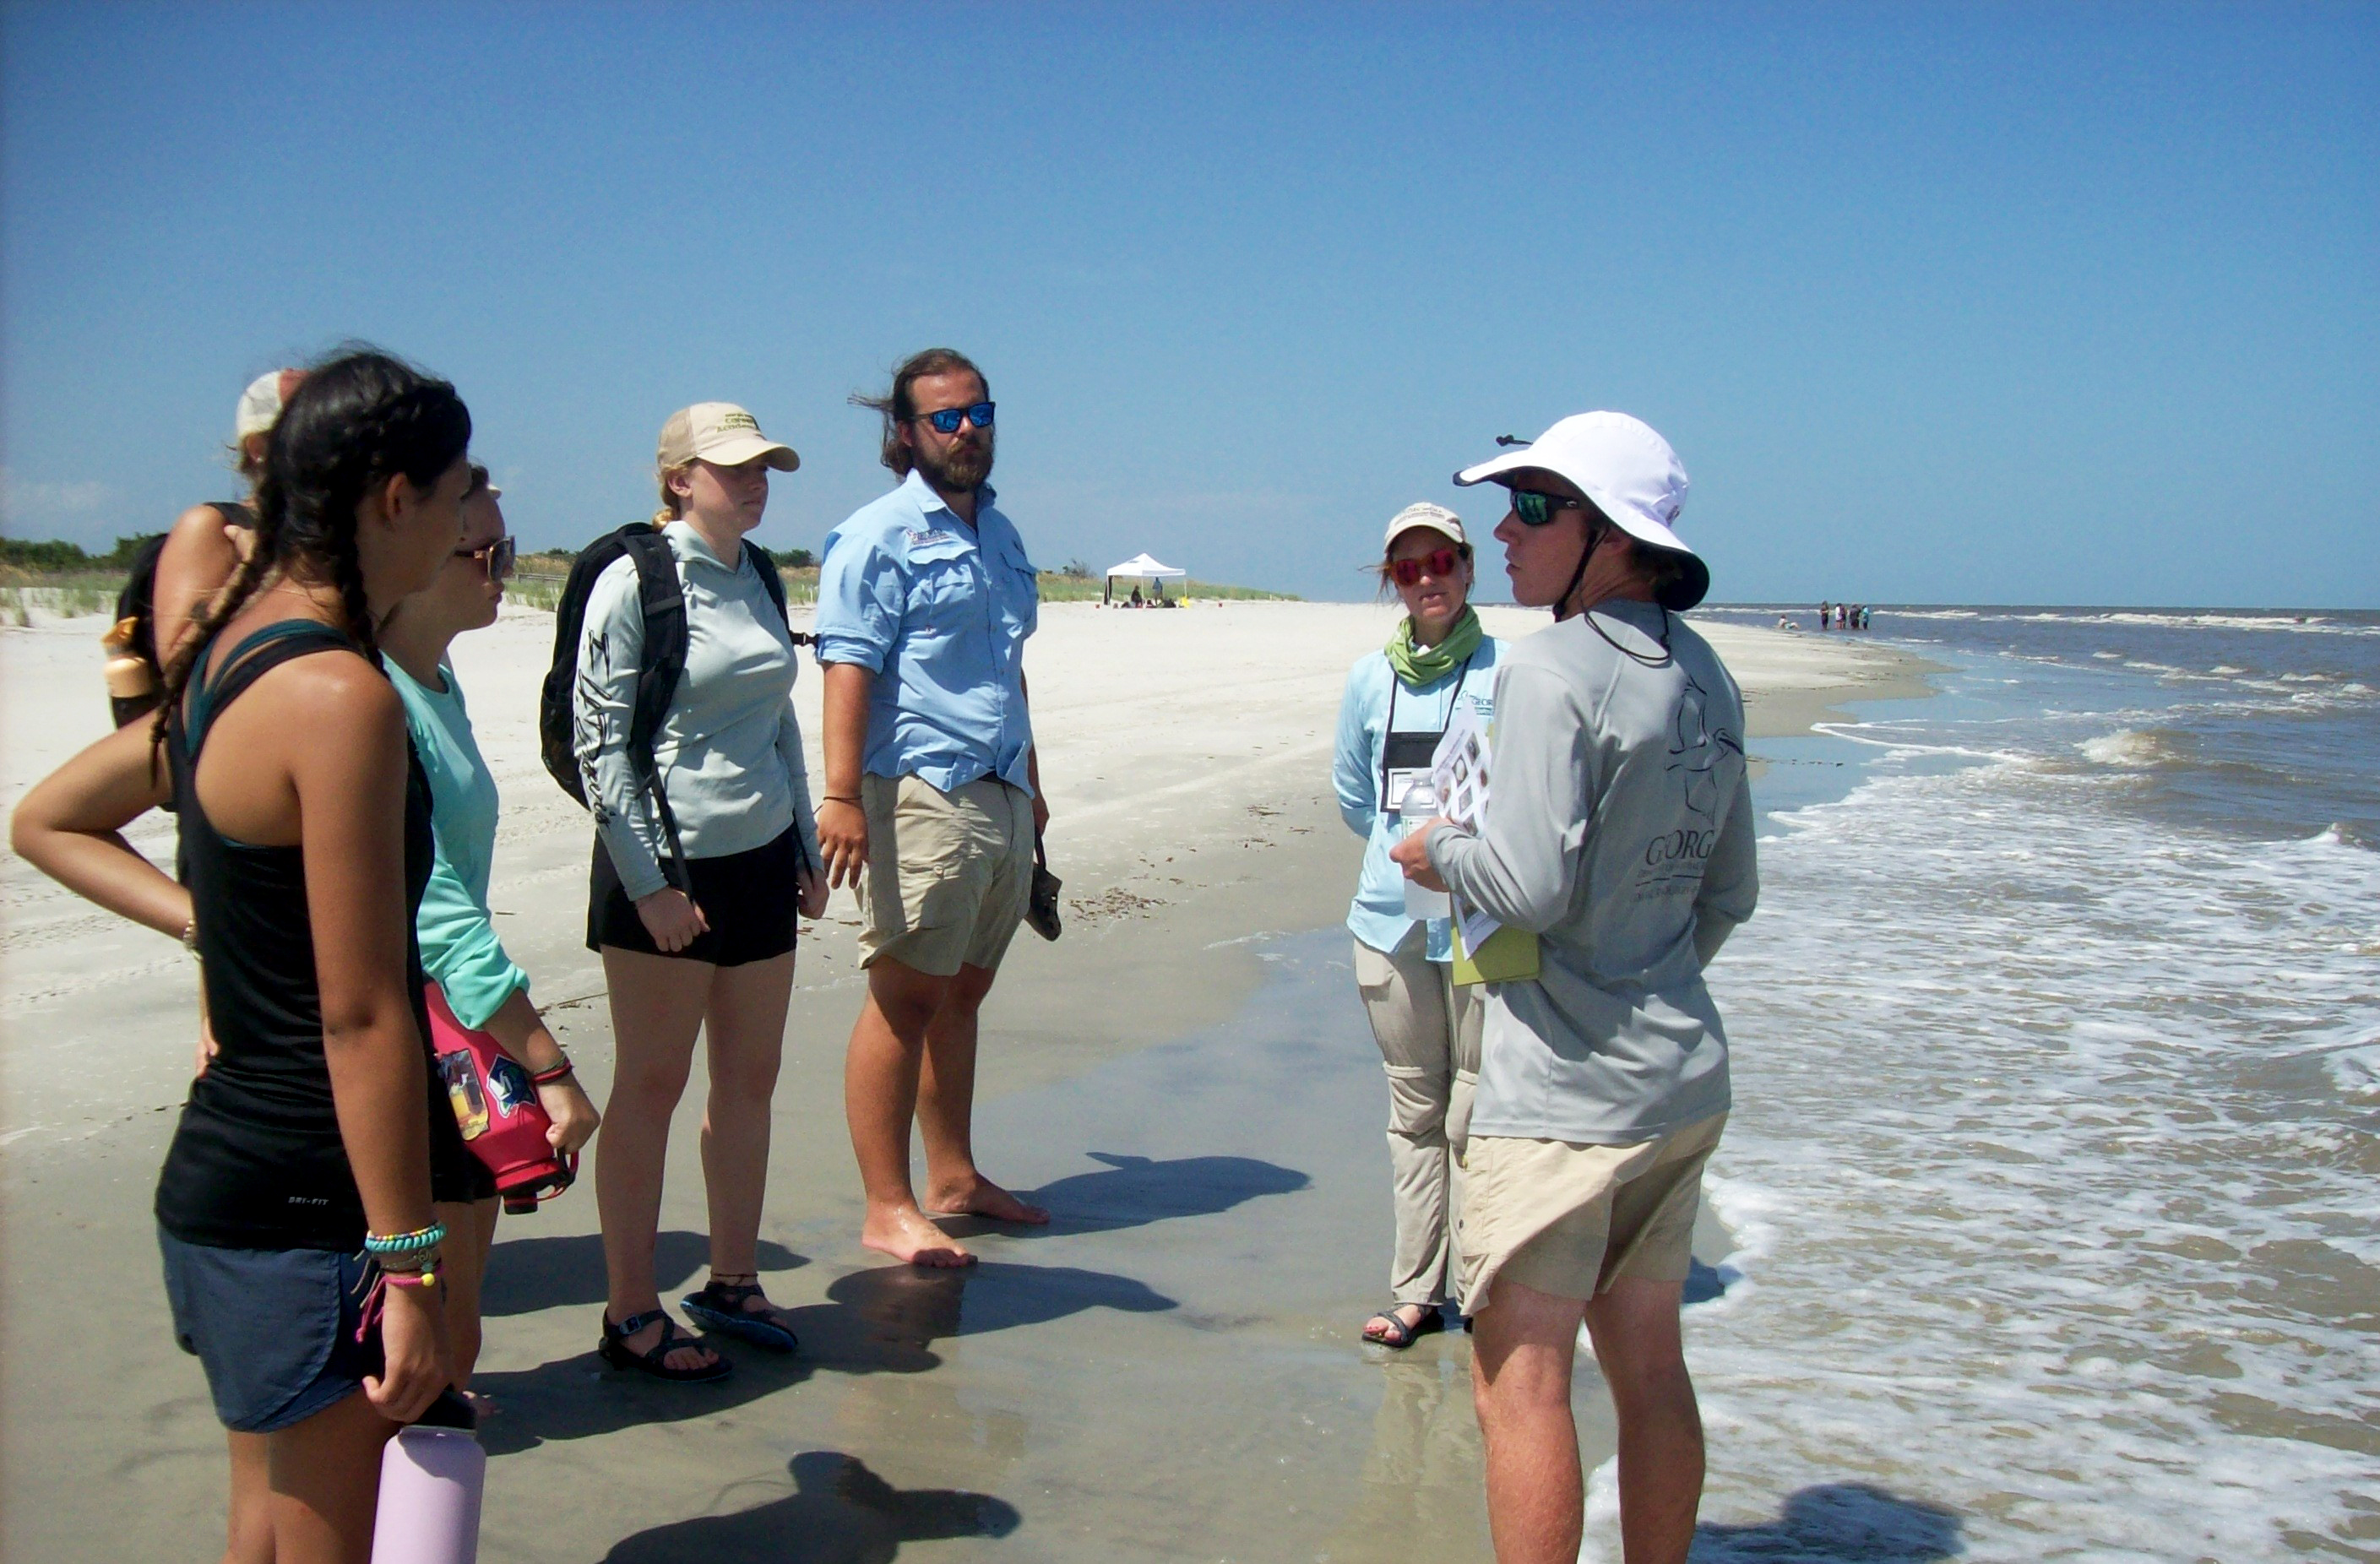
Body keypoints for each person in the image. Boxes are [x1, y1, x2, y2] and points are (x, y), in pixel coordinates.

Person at [14, 350, 480, 1563]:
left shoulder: (233, 651)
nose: (475, 514)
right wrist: (411, 1267)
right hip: (309, 1199)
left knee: (261, 1538)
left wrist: (213, 924)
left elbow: (48, 818)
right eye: (458, 488)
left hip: (222, 1186)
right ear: (393, 499)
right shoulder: (339, 695)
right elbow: (364, 1016)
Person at [1390, 411, 1757, 1564]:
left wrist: (1434, 852)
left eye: (1536, 507)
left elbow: (1531, 887)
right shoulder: (1707, 674)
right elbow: (1729, 894)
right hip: (1681, 1080)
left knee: (1521, 1382)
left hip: (1557, 1101)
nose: (1505, 530)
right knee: (1649, 1364)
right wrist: (1638, 974)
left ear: (1612, 537)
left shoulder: (1549, 667)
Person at [577, 402, 825, 1382]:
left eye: (763, 465)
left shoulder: (758, 573)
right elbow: (604, 744)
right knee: (651, 1084)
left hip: (761, 857)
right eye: (732, 467)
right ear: (678, 477)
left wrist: (804, 847)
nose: (754, 480)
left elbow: (778, 725)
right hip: (667, 870)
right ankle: (630, 1309)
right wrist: (650, 886)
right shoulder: (635, 578)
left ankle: (732, 1276)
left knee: (750, 1080)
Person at [815, 347, 1051, 1268]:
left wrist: (1036, 781)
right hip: (918, 789)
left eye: (978, 412)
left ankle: (953, 1175)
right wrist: (840, 796)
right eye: (944, 418)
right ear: (905, 433)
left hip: (1000, 788)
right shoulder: (877, 534)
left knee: (965, 988)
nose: (966, 431)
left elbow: (1010, 665)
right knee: (906, 993)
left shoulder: (1001, 533)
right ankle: (887, 1203)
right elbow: (846, 663)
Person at [379, 465, 601, 1396]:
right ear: (425, 553)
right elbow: (437, 914)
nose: (505, 567)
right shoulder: (375, 698)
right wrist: (549, 1067)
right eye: (489, 551)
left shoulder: (438, 678)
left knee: (459, 1332)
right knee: (421, 1349)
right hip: (396, 1038)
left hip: (450, 1035)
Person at [1332, 503, 1502, 1349]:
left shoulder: (1511, 671)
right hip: (1389, 923)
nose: (1426, 577)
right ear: (1391, 583)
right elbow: (1354, 796)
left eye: (1440, 561)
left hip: (1483, 922)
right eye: (1407, 567)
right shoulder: (1368, 679)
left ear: (1469, 569)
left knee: (1475, 1108)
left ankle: (1480, 1289)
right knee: (1415, 1110)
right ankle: (1413, 1291)